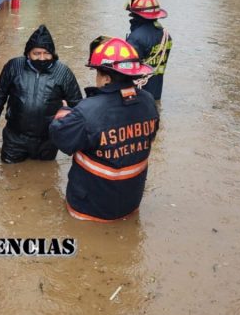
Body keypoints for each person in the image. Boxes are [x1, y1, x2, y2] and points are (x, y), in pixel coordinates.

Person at [49, 37, 160, 222]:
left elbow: (61, 137)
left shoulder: (87, 111)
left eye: (97, 73)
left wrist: (64, 112)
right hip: (130, 201)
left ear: (106, 78)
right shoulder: (148, 101)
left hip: (90, 207)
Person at [0, 25, 82, 163]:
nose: (42, 58)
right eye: (36, 53)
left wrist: (76, 139)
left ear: (52, 54)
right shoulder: (14, 67)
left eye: (46, 53)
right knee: (8, 172)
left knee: (46, 176)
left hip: (48, 140)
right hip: (15, 138)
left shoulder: (63, 73)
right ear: (28, 54)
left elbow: (77, 106)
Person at [125, 0, 173, 100]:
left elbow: (127, 68)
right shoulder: (166, 35)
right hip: (156, 91)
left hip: (138, 94)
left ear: (136, 15)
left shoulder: (136, 38)